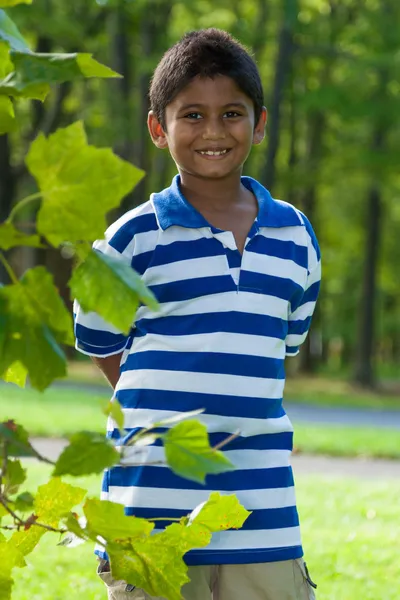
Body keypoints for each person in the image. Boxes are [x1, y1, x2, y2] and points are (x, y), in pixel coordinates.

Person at [74, 28, 321, 600]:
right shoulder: (127, 241)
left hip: (262, 512)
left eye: (232, 113)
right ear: (159, 128)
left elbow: (278, 348)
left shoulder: (295, 235)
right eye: (192, 115)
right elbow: (101, 343)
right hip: (151, 513)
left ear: (259, 123)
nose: (213, 131)